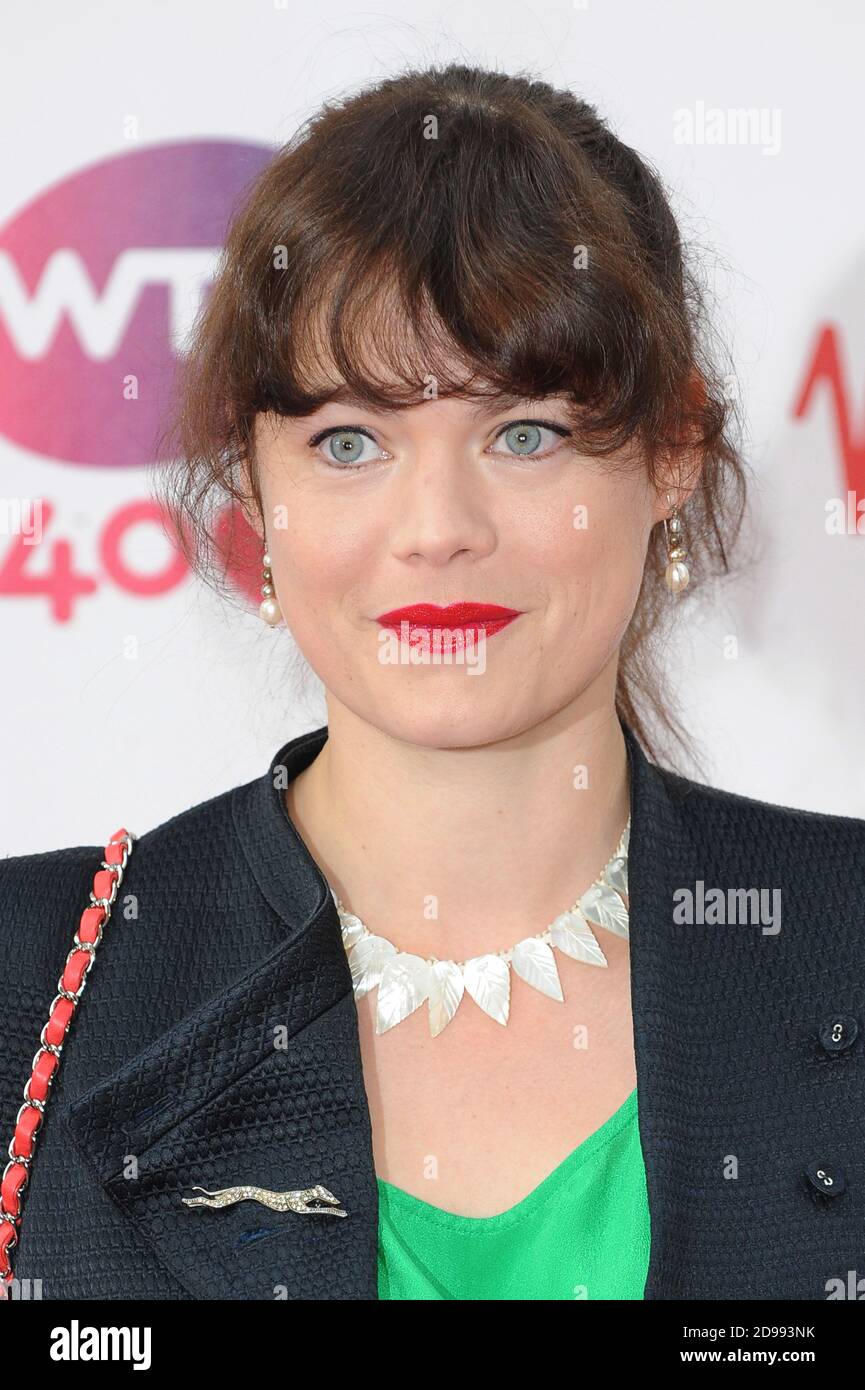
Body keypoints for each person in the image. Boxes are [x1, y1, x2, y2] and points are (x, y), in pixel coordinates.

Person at [2, 62, 863, 1303]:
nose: (437, 528)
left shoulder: (838, 935)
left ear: (671, 453)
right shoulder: (31, 981)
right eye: (348, 442)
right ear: (253, 487)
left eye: (525, 433)